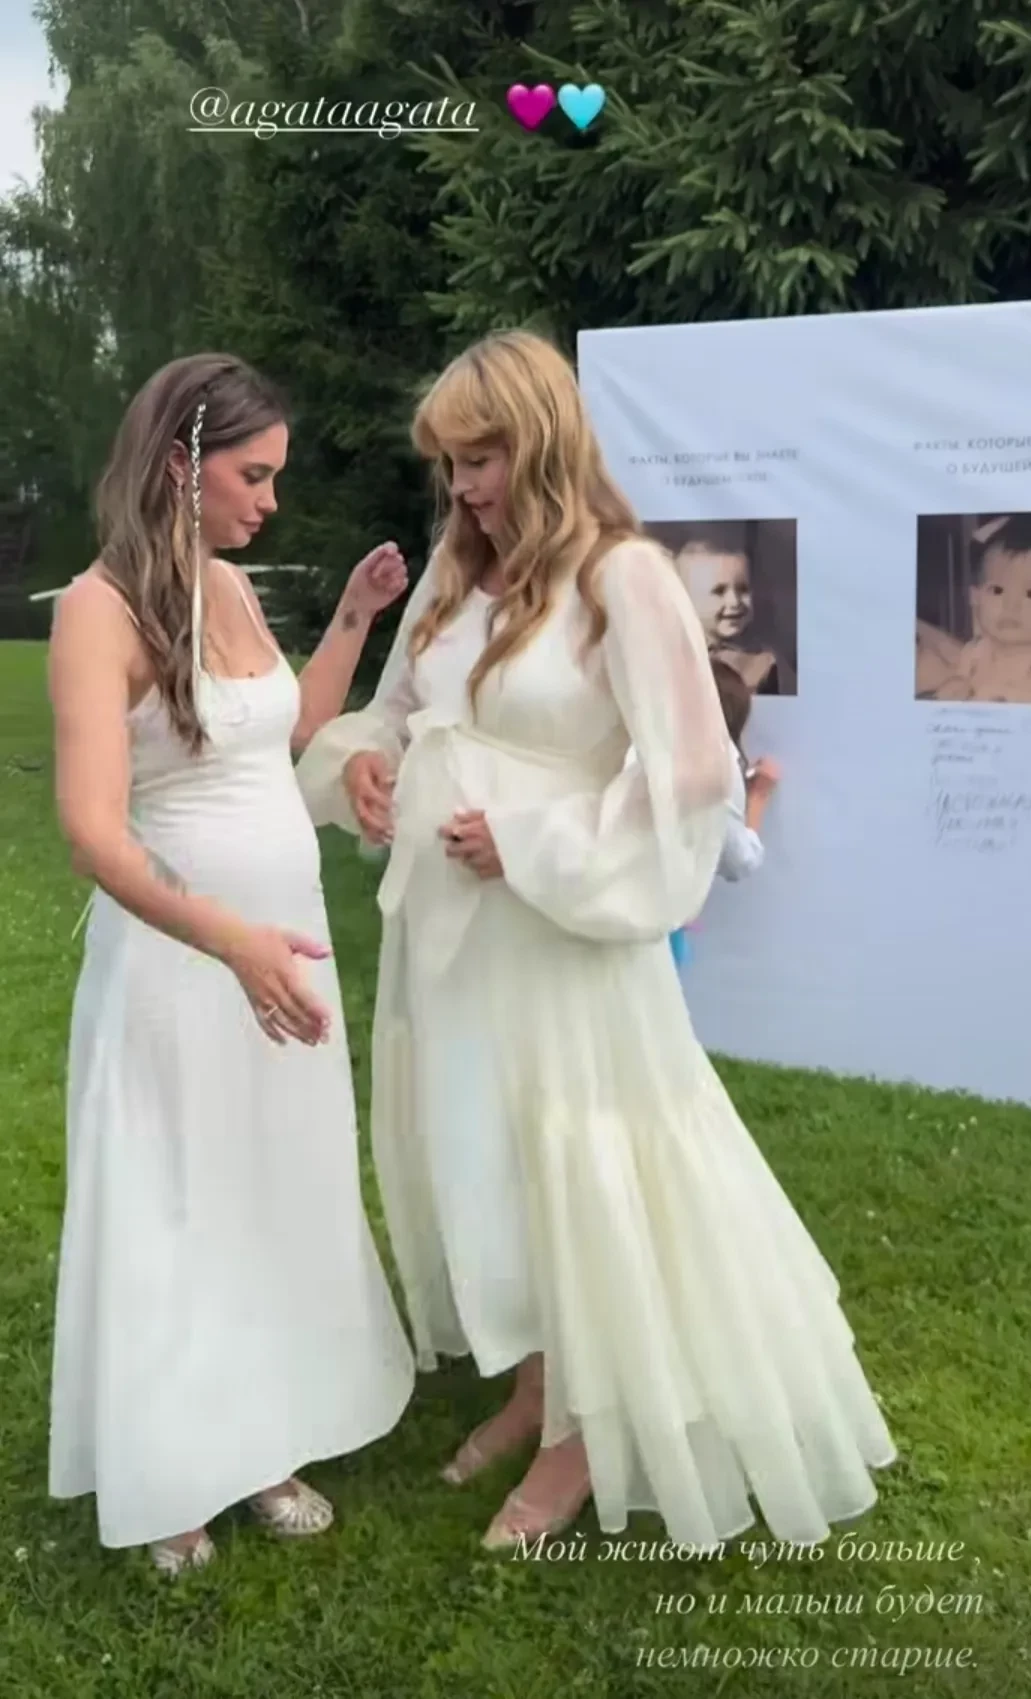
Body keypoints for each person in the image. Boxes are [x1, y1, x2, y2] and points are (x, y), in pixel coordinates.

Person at [296, 330, 896, 1554]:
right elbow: (396, 712)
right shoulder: (454, 578)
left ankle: (586, 1428)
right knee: (490, 1153)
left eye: (481, 458)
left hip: (563, 938)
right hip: (453, 934)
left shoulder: (624, 578)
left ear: (542, 443)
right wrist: (361, 763)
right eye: (449, 463)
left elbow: (692, 776)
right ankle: (539, 1380)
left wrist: (532, 841)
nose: (462, 486)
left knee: (579, 1157)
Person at [46, 352, 417, 1575]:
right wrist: (232, 944)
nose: (270, 499)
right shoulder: (99, 610)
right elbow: (93, 830)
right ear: (179, 463)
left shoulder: (232, 586)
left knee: (269, 1187)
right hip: (183, 962)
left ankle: (260, 1436)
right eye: (253, 476)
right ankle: (173, 1467)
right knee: (182, 1197)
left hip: (280, 953)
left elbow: (286, 730)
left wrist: (355, 620)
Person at [670, 660, 780, 968]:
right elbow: (738, 860)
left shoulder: (649, 748)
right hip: (655, 930)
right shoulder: (716, 765)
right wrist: (757, 798)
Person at [917, 516, 1031, 704]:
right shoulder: (974, 654)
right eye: (997, 590)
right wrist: (956, 688)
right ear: (975, 597)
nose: (1011, 606)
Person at [675, 535, 795, 695]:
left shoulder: (762, 664)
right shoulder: (673, 653)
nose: (735, 601)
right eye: (719, 591)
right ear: (686, 599)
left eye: (743, 589)